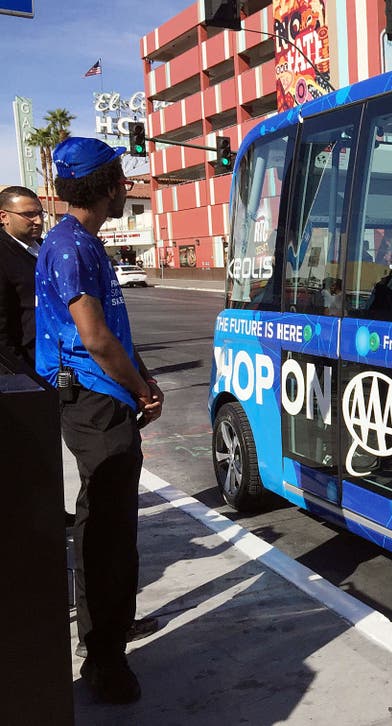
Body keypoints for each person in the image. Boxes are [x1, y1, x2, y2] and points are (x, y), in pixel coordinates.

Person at [35, 137, 164, 705]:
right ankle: (103, 658)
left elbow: (113, 327)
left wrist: (143, 378)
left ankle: (112, 630)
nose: (127, 189)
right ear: (109, 186)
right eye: (123, 181)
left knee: (117, 528)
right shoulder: (70, 248)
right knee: (106, 531)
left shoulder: (81, 242)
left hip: (109, 396)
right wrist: (136, 386)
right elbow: (93, 336)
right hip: (94, 401)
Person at [0, 186, 43, 365]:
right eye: (29, 214)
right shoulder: (4, 254)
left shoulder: (46, 248)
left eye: (40, 213)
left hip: (58, 359)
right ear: (4, 216)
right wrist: (21, 373)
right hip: (28, 365)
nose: (38, 221)